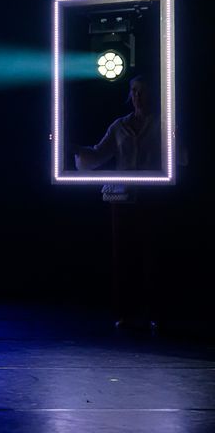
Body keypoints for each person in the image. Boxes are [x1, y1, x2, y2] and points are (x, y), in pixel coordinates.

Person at [73, 75, 161, 330]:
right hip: (122, 199)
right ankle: (125, 312)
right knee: (123, 256)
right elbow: (98, 155)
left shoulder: (164, 124)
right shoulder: (120, 125)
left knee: (154, 255)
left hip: (154, 197)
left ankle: (155, 312)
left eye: (142, 91)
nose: (137, 96)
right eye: (134, 91)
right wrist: (73, 149)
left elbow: (180, 158)